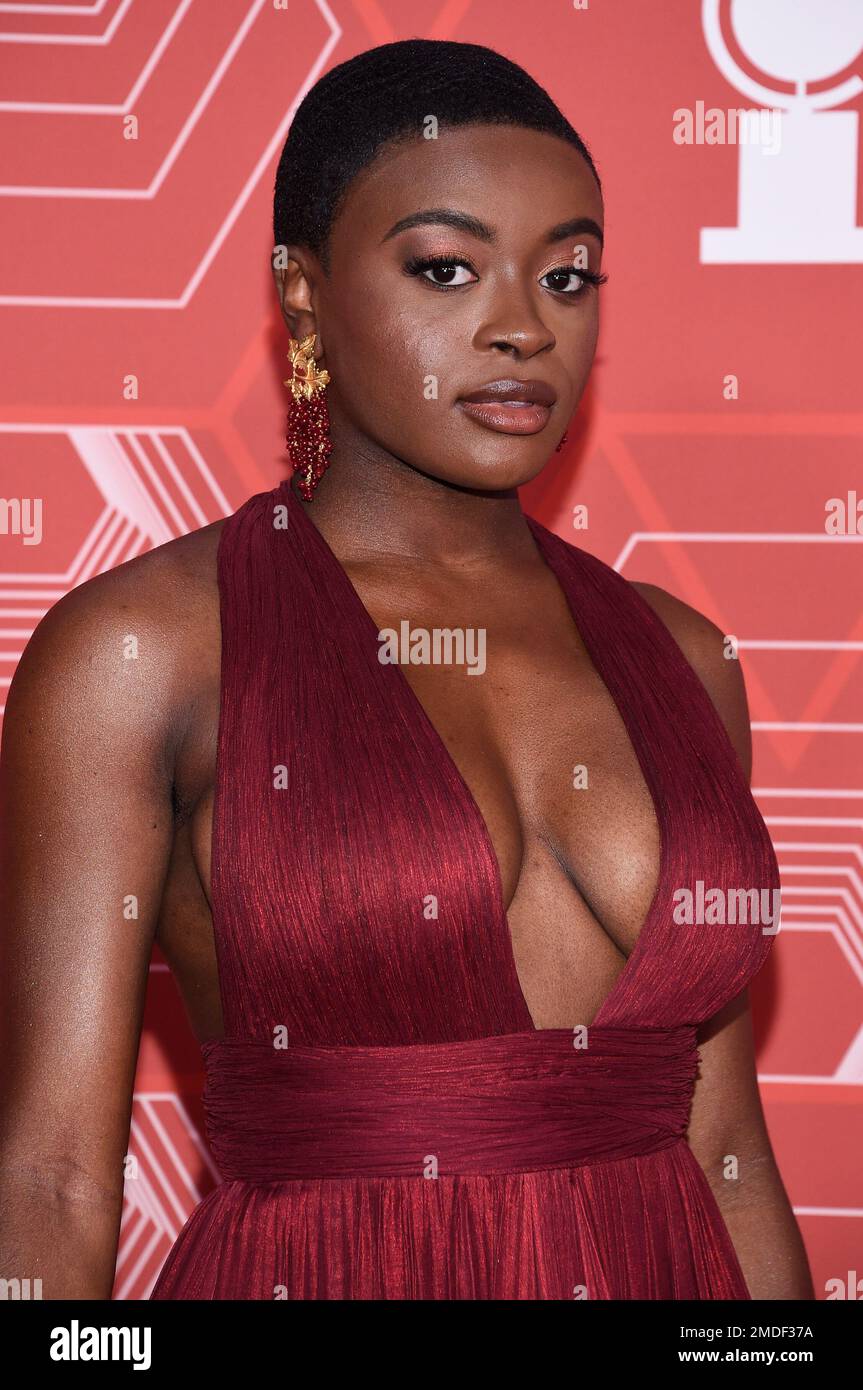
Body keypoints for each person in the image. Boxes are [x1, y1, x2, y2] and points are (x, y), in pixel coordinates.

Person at [0, 38, 812, 1300]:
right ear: (304, 296)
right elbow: (50, 1175)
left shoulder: (683, 656)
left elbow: (727, 1152)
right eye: (444, 267)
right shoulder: (146, 650)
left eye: (566, 274)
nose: (519, 326)